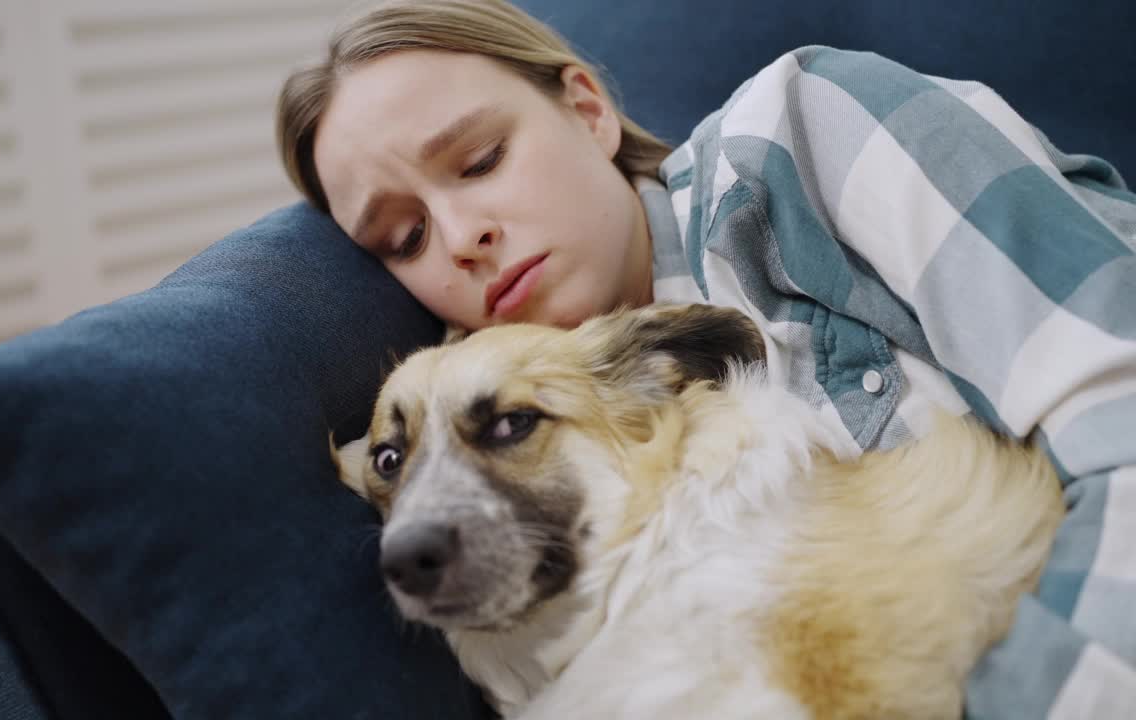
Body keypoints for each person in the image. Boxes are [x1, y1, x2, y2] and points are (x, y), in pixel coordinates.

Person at [277, 0, 1136, 716]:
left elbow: (1121, 402)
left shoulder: (800, 132)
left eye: (481, 159)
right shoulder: (498, 412)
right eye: (406, 237)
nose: (465, 239)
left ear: (586, 110)